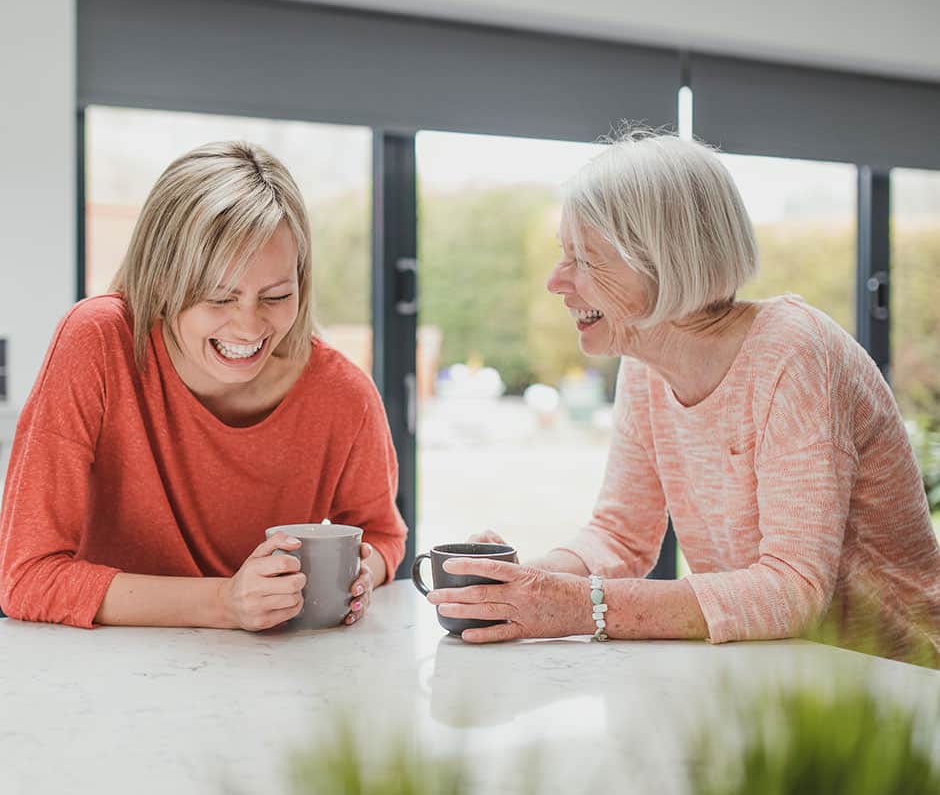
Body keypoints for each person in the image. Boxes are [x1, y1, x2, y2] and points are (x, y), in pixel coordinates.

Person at [426, 129, 940, 665]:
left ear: (662, 260)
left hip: (900, 680)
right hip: (789, 671)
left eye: (584, 259)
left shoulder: (794, 354)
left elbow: (791, 589)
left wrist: (581, 606)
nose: (557, 282)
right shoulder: (645, 362)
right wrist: (519, 584)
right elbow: (619, 537)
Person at [0, 141, 407, 630]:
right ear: (162, 280)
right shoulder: (97, 342)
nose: (249, 327)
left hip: (266, 676)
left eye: (277, 296)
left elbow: (383, 534)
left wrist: (362, 572)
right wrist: (223, 603)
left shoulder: (344, 396)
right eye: (219, 297)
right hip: (104, 674)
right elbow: (25, 577)